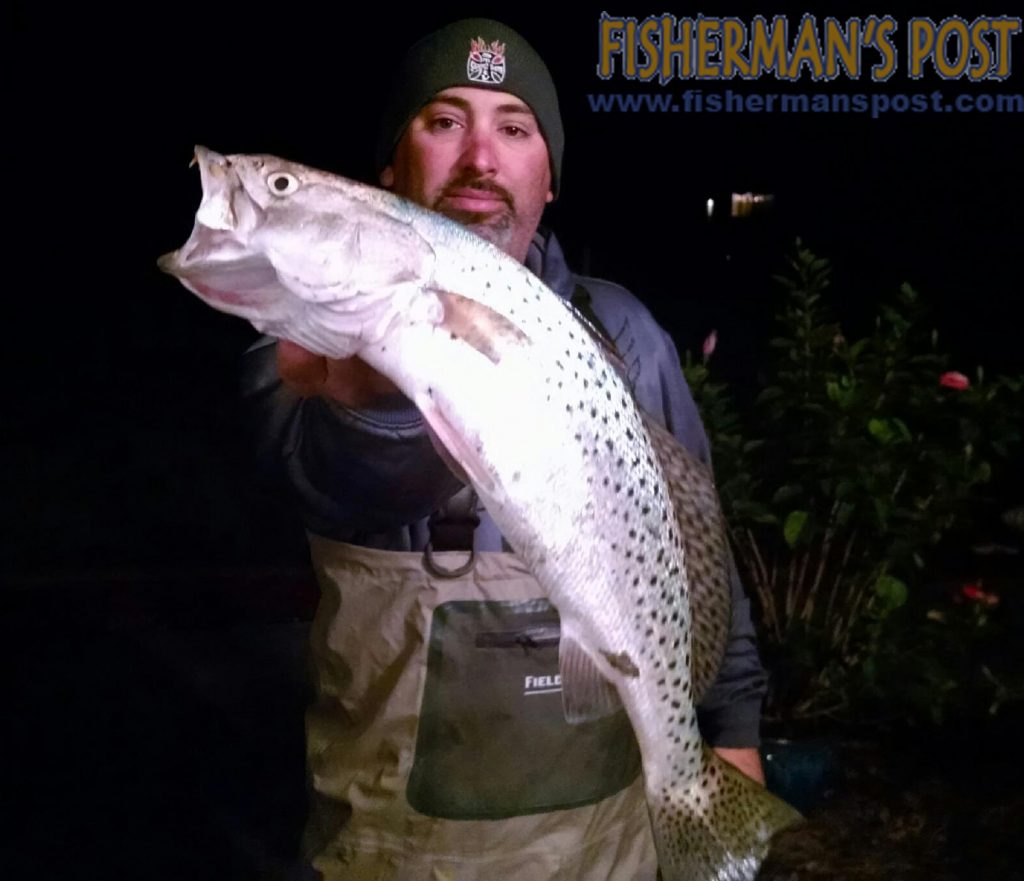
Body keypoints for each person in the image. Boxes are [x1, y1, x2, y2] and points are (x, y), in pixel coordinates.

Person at [241, 18, 769, 881]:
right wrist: (383, 375)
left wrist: (733, 731)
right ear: (388, 167)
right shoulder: (308, 337)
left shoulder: (627, 336)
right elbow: (335, 488)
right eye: (444, 122)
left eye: (515, 129)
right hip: (393, 851)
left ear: (549, 177)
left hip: (605, 849)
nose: (481, 158)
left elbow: (693, 546)